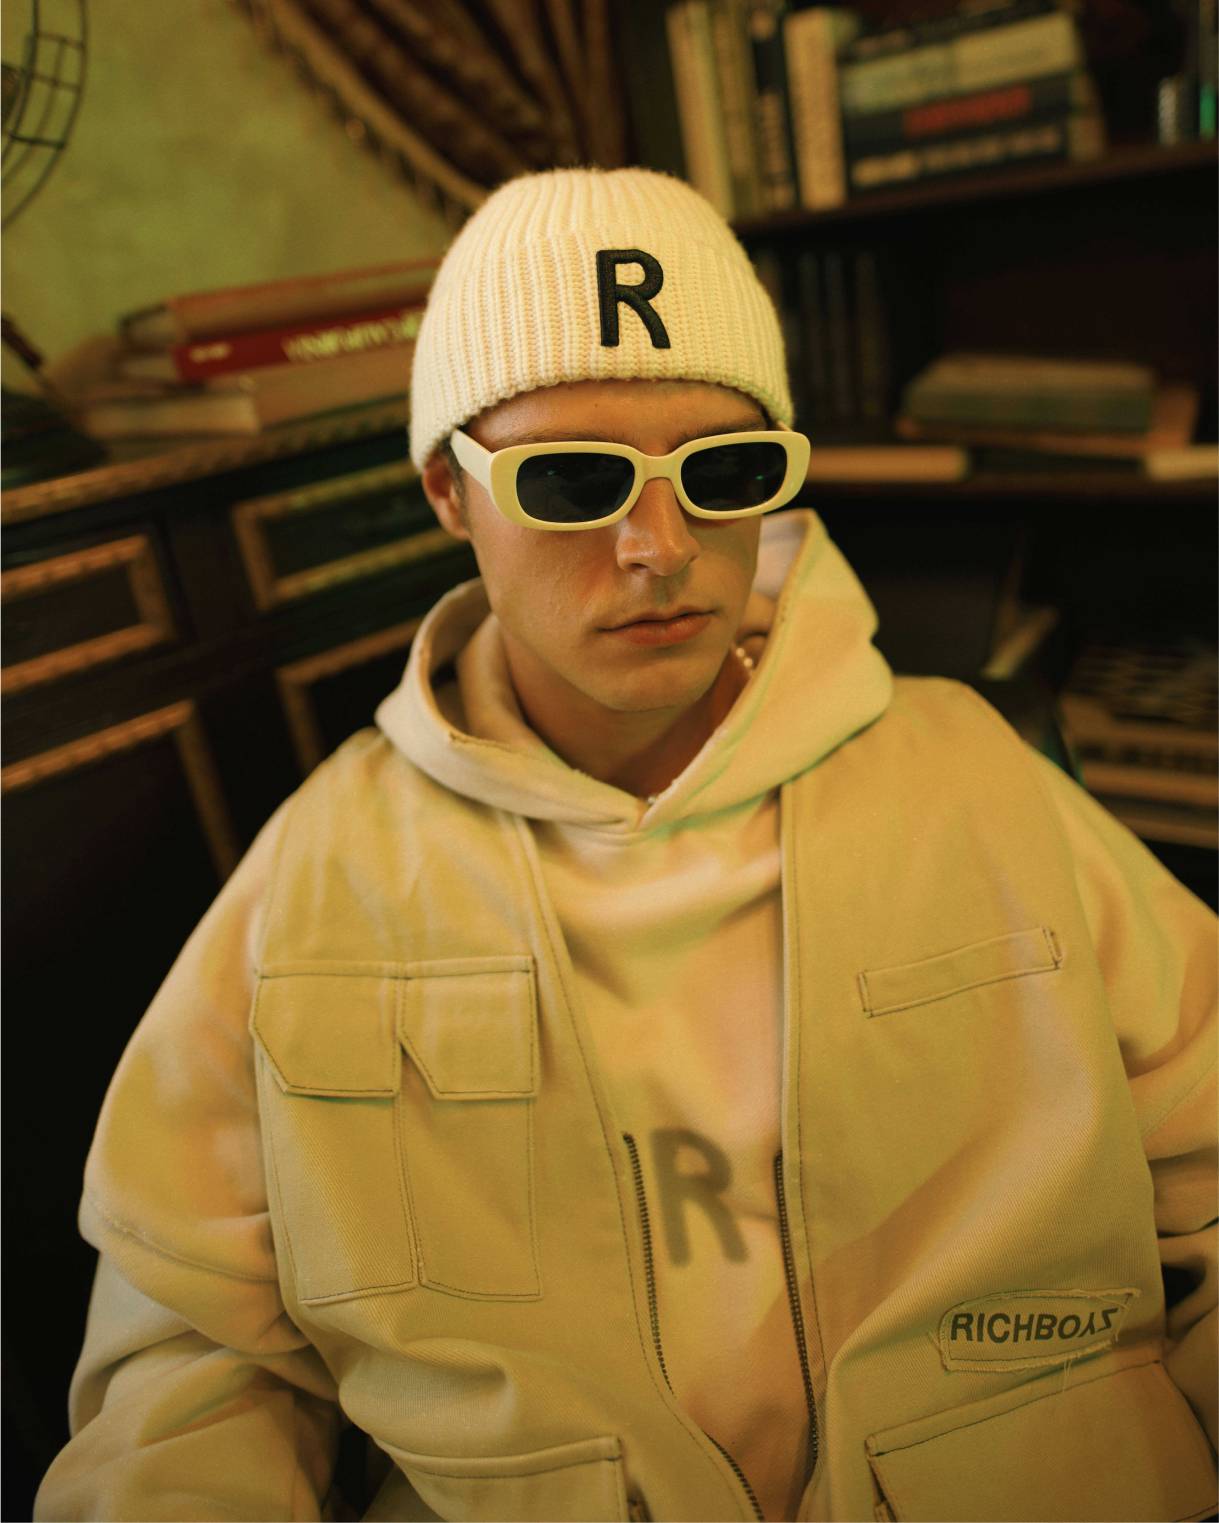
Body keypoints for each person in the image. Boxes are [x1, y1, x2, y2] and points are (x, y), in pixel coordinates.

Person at [36, 167, 1217, 1523]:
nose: (659, 547)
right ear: (448, 492)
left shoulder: (981, 782)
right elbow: (192, 1360)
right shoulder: (315, 878)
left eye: (724, 474)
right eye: (572, 480)